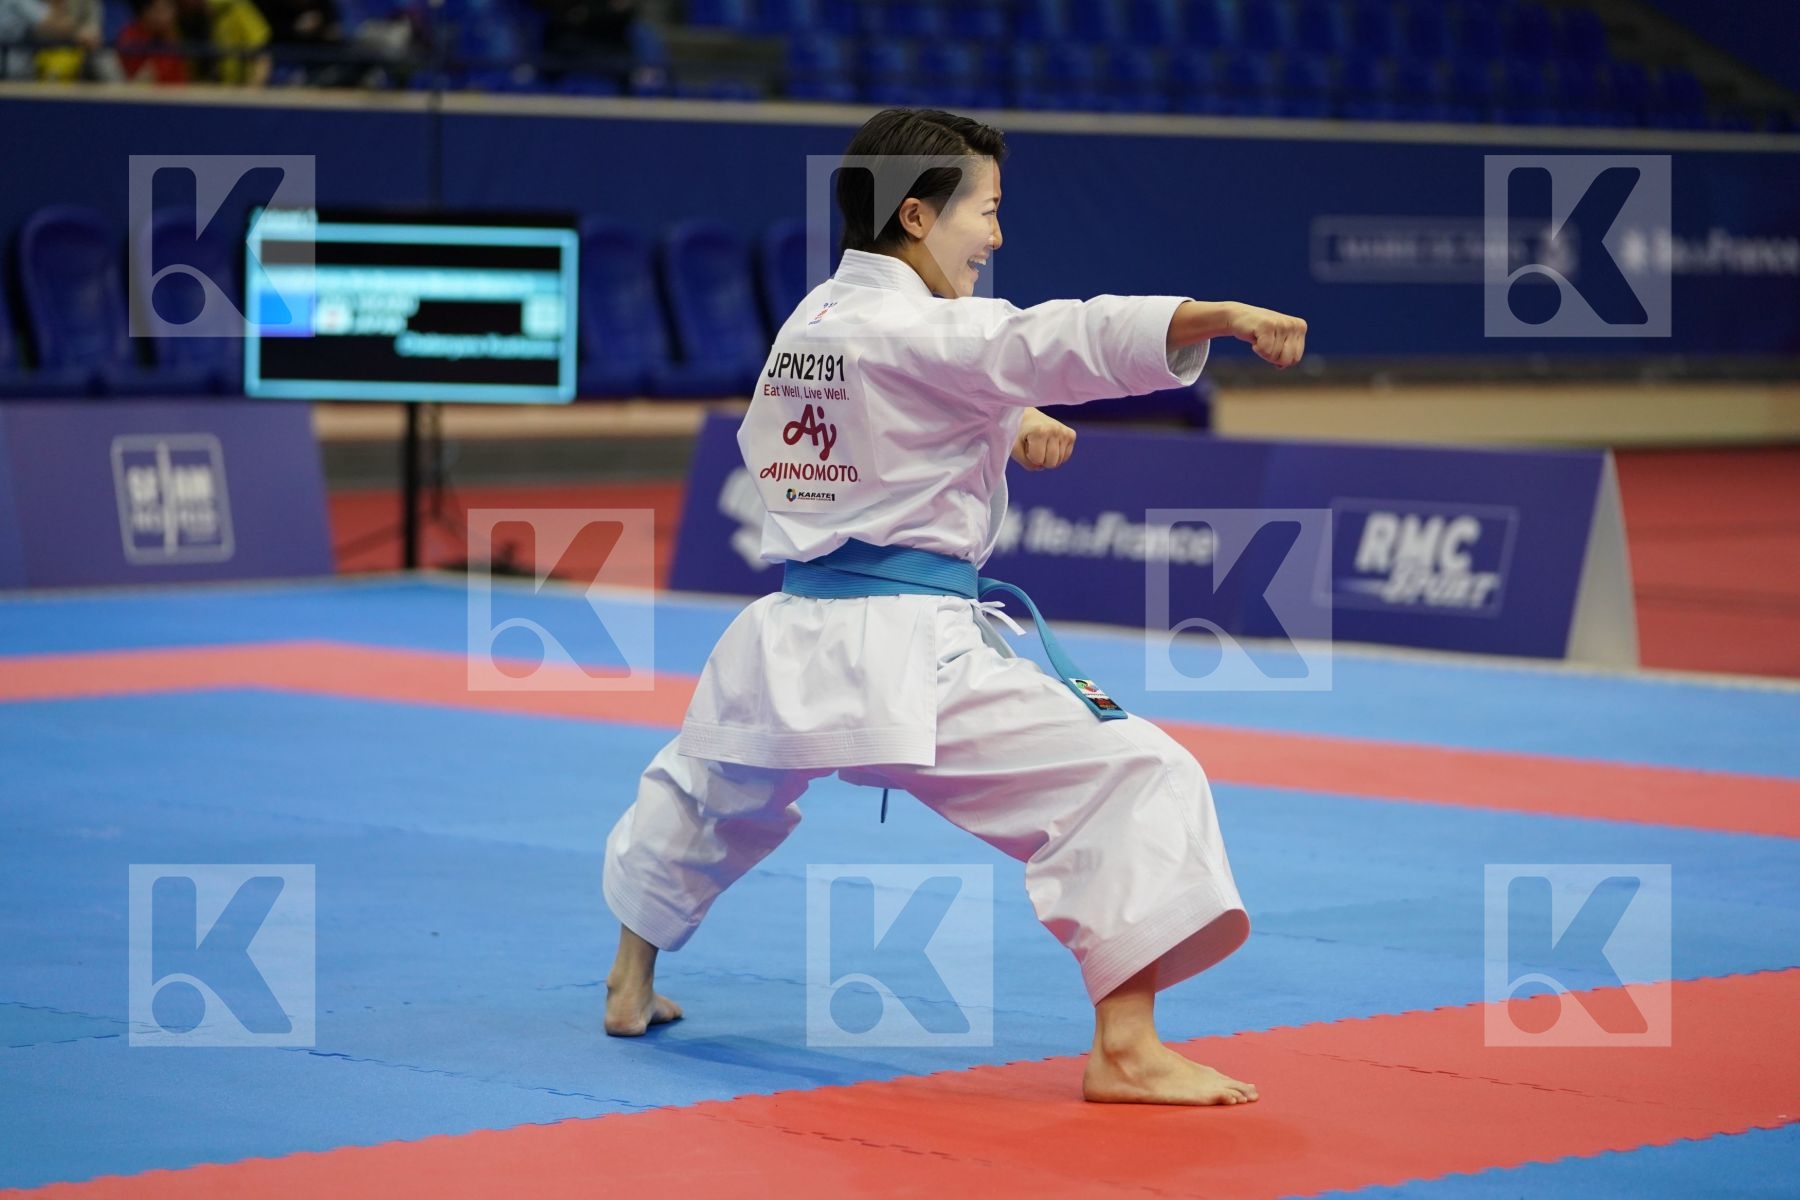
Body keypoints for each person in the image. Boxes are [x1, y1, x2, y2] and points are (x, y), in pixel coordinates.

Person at [601, 108, 1306, 1106]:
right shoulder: (930, 326)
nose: (999, 235)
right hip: (906, 658)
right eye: (989, 209)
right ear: (920, 216)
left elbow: (876, 401)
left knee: (707, 794)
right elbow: (1053, 336)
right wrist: (1210, 316)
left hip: (782, 641)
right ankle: (1127, 1048)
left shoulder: (814, 321)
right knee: (1137, 773)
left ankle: (629, 981)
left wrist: (1001, 419)